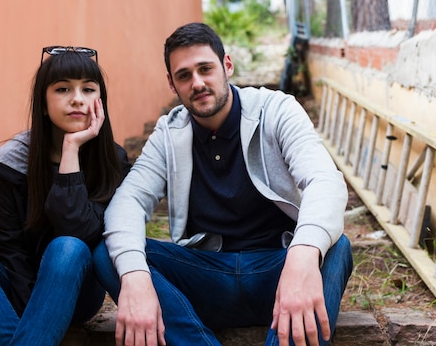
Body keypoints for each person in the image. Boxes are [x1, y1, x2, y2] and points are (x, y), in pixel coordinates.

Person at [94, 22, 353, 346]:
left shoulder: (276, 110)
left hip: (278, 271)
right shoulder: (168, 133)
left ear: (227, 65)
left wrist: (302, 254)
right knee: (109, 254)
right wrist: (134, 276)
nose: (198, 83)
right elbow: (128, 202)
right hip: (206, 278)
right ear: (172, 84)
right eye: (184, 75)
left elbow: (324, 180)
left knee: (335, 247)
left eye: (205, 69)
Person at [0, 46, 131, 346]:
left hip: (76, 290)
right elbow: (6, 248)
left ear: (100, 102)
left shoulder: (111, 161)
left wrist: (71, 150)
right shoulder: (13, 161)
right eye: (63, 88)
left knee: (68, 247)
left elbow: (83, 233)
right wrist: (38, 314)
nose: (77, 99)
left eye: (89, 89)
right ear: (43, 102)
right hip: (16, 287)